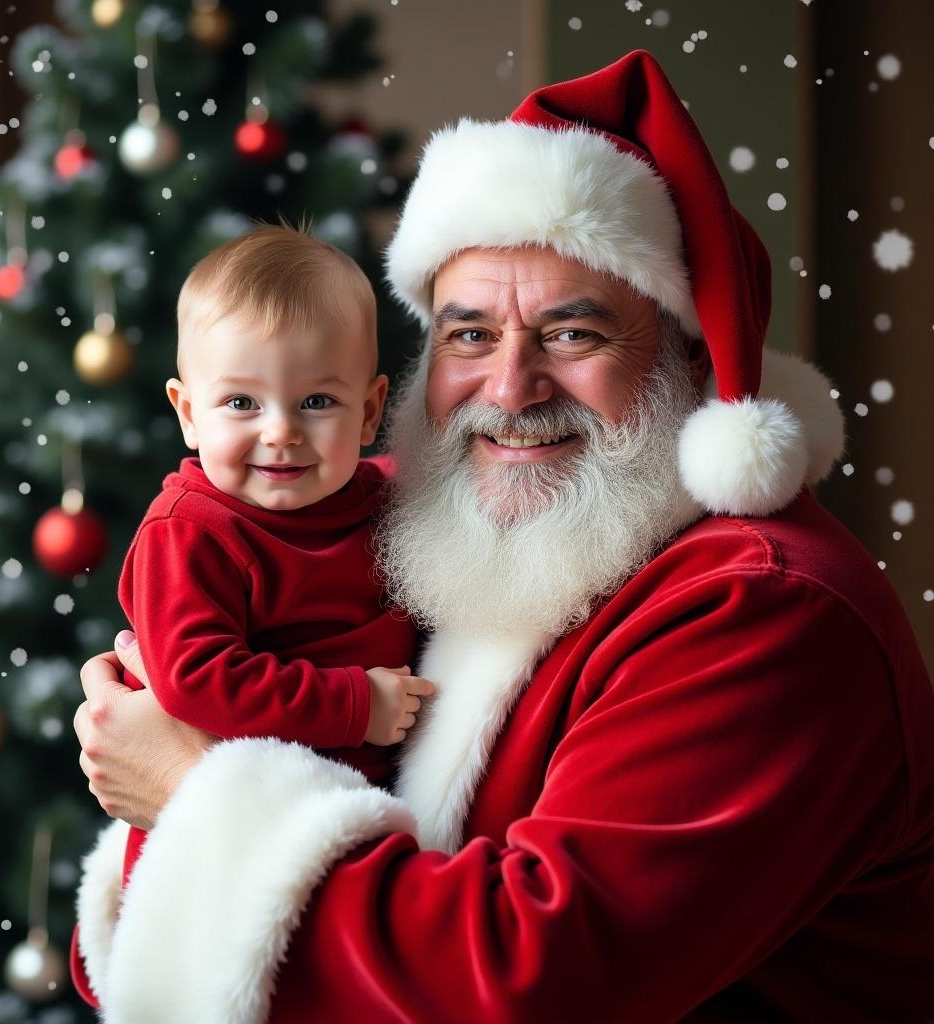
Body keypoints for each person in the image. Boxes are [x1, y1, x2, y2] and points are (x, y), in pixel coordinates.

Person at [71, 51, 934, 1022]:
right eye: (469, 334)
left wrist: (193, 793)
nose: (511, 389)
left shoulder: (765, 611)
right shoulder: (423, 519)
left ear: (686, 357)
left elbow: (524, 981)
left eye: (573, 333)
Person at [102, 226, 435, 896]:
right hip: (217, 834)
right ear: (189, 414)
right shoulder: (190, 533)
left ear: (369, 412)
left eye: (317, 402)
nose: (279, 430)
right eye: (241, 403)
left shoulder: (383, 500)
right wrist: (355, 705)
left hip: (360, 821)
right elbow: (197, 678)